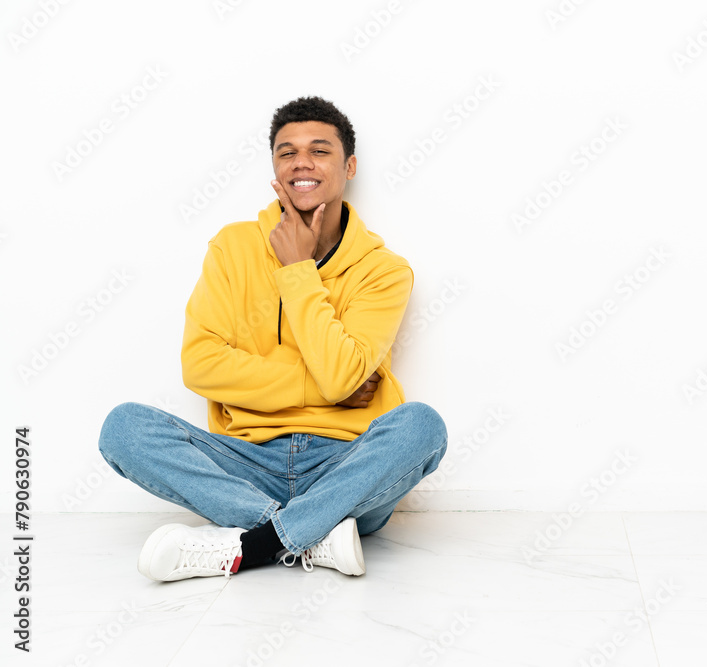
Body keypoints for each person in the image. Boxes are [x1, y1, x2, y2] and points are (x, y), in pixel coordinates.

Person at [98, 96, 447, 582]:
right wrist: (320, 387)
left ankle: (258, 542)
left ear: (348, 166)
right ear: (275, 169)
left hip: (346, 465)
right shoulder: (234, 247)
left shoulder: (384, 271)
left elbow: (345, 373)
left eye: (319, 151)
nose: (301, 161)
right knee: (123, 429)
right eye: (287, 153)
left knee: (422, 428)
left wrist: (298, 271)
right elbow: (201, 366)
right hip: (245, 462)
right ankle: (315, 535)